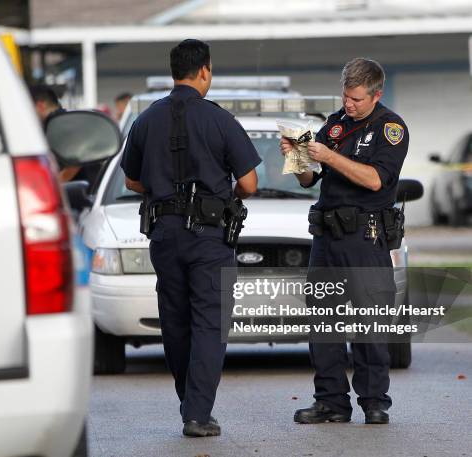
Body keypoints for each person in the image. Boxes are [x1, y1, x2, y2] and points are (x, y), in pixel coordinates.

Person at [121, 39, 260, 437]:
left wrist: (164, 187)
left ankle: (190, 404)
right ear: (205, 71)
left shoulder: (146, 119)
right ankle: (197, 414)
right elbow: (248, 183)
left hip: (164, 234)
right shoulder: (219, 119)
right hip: (209, 238)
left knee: (176, 322)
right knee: (210, 323)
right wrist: (223, 194)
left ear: (173, 72)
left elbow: (132, 178)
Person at [280, 58, 409, 425]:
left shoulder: (390, 128)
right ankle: (331, 401)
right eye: (345, 97)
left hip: (365, 237)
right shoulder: (334, 124)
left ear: (376, 94)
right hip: (327, 236)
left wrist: (330, 157)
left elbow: (374, 180)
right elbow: (309, 180)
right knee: (324, 322)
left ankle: (374, 402)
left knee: (369, 322)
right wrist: (297, 158)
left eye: (355, 99)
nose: (348, 105)